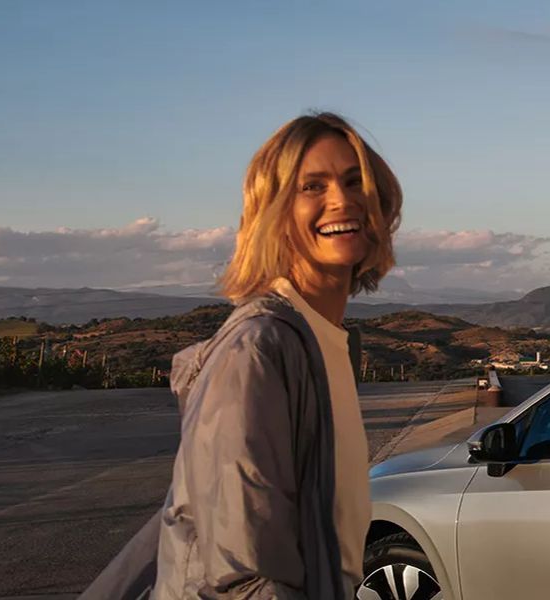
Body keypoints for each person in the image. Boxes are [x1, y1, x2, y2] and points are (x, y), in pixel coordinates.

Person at [82, 112, 402, 599]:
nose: (342, 199)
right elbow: (242, 576)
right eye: (312, 186)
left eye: (356, 180)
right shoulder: (256, 351)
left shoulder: (325, 341)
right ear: (272, 212)